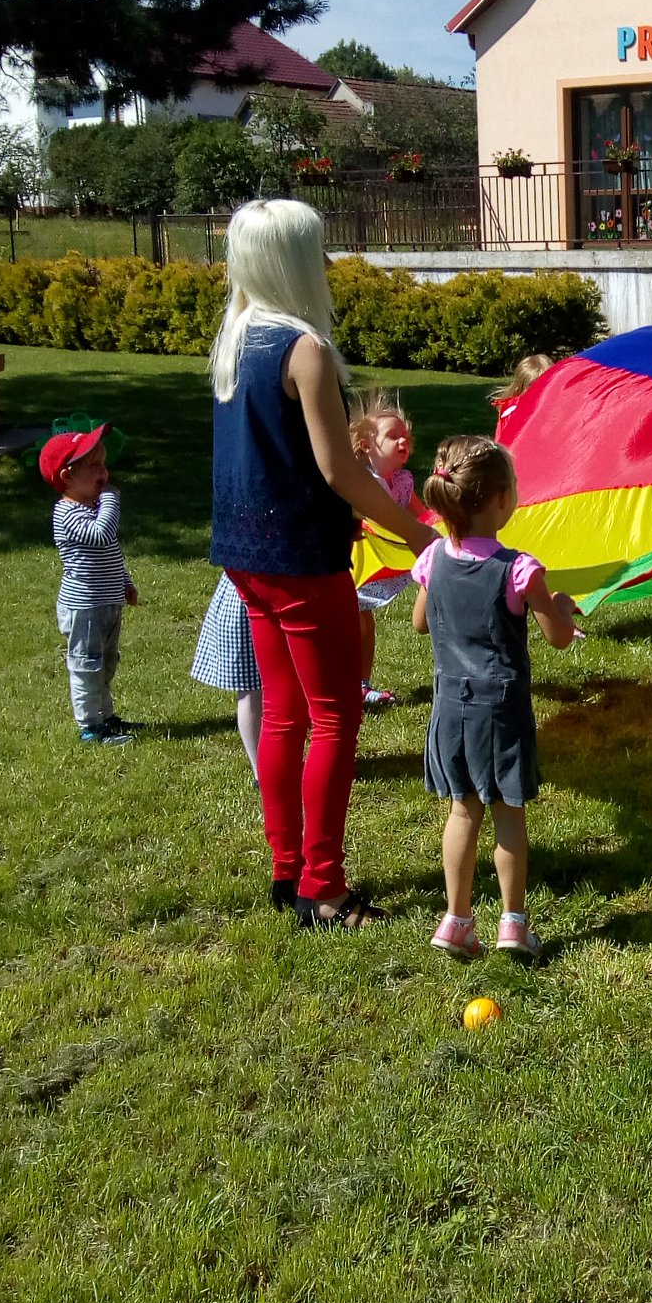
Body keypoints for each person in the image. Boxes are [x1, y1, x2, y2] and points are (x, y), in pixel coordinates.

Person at [209, 198, 435, 927]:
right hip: (303, 560)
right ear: (296, 261)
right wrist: (418, 535)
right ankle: (325, 889)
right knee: (334, 718)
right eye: (318, 251)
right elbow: (341, 471)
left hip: (246, 558)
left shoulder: (236, 336)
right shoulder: (303, 349)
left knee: (283, 714)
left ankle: (288, 871)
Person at [411, 436, 579, 960]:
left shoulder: (433, 558)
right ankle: (513, 923)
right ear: (502, 499)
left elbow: (419, 622)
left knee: (462, 810)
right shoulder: (519, 569)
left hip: (450, 707)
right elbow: (559, 637)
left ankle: (456, 919)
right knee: (508, 813)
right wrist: (561, 606)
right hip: (502, 711)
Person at [42, 422, 140, 745]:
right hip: (84, 608)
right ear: (67, 477)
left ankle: (106, 716)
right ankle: (89, 727)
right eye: (94, 466)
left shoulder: (93, 508)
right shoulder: (66, 513)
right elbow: (101, 535)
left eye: (104, 464)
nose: (104, 473)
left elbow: (110, 552)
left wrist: (124, 581)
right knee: (87, 666)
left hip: (107, 603)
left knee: (107, 664)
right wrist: (111, 499)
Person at [350, 389, 423, 708]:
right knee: (352, 624)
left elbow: (423, 517)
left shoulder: (403, 481)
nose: (403, 441)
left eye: (406, 436)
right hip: (356, 566)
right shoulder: (360, 481)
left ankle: (361, 685)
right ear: (367, 445)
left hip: (378, 565)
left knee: (365, 624)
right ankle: (342, 685)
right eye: (393, 436)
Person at [190, 572, 261, 776]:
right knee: (251, 690)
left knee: (256, 692)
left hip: (245, 589)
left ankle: (267, 770)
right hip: (248, 596)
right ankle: (261, 771)